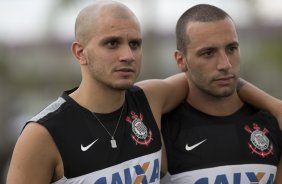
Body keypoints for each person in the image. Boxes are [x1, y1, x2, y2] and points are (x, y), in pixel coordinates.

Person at [6, 1, 282, 184]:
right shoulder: (43, 134)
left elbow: (214, 75)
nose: (127, 55)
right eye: (112, 44)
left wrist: (274, 106)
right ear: (80, 52)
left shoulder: (150, 100)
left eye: (135, 44)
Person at [161, 4, 282, 184]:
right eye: (208, 53)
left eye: (231, 49)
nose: (225, 64)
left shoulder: (272, 123)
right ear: (181, 60)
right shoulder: (163, 130)